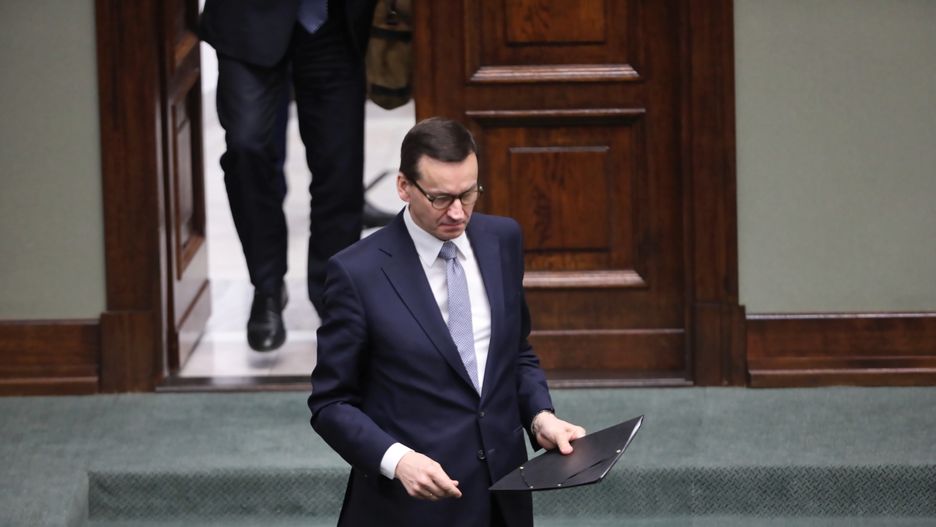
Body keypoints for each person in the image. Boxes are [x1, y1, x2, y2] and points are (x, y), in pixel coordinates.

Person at [307, 117, 586, 527]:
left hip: (505, 497)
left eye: (468, 194)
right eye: (440, 198)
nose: (457, 212)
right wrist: (398, 461)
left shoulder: (502, 239)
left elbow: (514, 352)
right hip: (409, 510)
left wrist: (539, 416)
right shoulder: (356, 273)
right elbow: (331, 404)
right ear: (404, 187)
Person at [199, 0, 377, 351]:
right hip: (246, 19)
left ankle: (335, 297)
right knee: (246, 148)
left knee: (340, 164)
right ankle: (266, 286)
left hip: (335, 20)